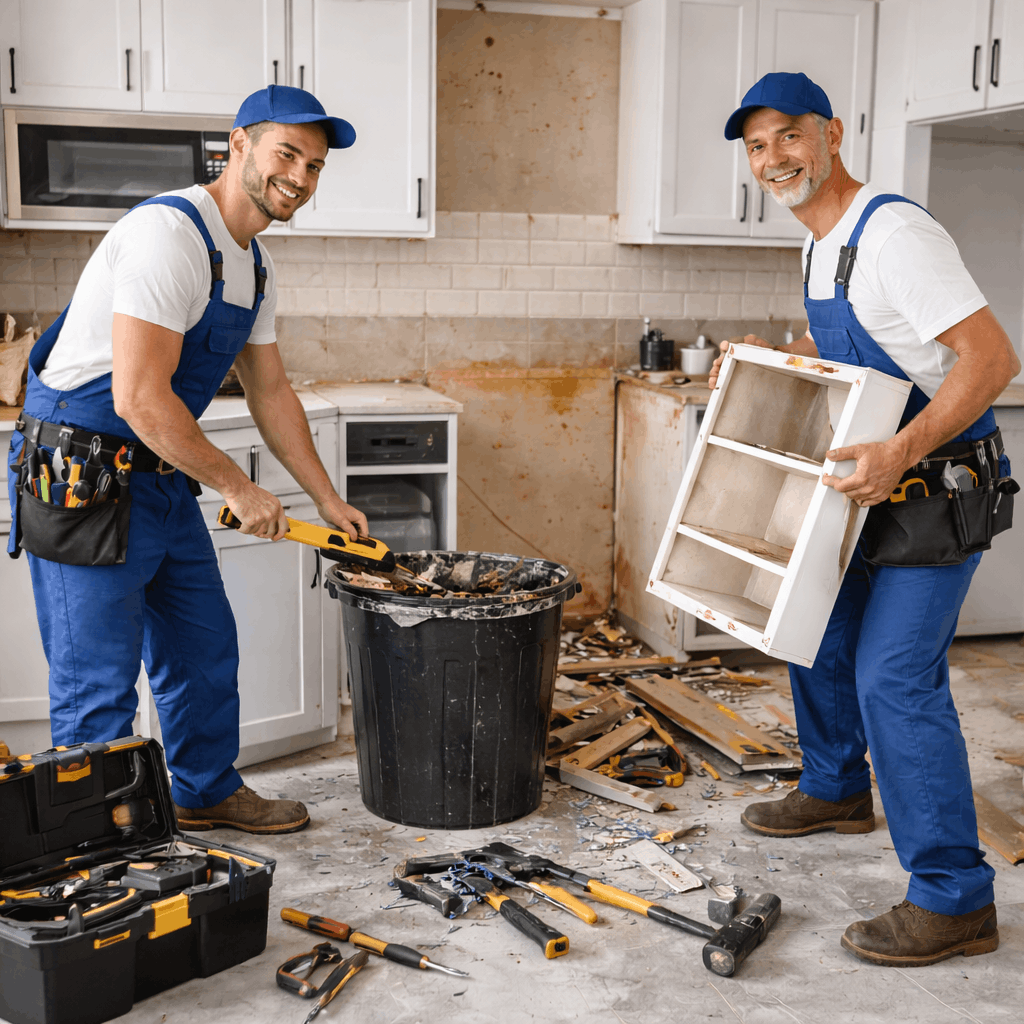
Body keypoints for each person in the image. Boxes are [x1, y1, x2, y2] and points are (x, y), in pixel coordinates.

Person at [710, 72, 1020, 966]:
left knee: (894, 680)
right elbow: (866, 345)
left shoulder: (894, 235)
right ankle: (837, 787)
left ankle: (955, 900)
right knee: (816, 629)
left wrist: (901, 451)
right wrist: (781, 356)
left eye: (789, 136)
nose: (774, 158)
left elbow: (990, 359)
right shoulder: (820, 244)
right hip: (867, 486)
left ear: (832, 135)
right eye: (758, 146)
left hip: (936, 490)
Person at [7, 86, 369, 835]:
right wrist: (237, 486)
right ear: (237, 145)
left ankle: (204, 790)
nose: (300, 177)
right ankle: (93, 833)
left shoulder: (254, 265)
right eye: (287, 154)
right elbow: (139, 396)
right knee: (97, 679)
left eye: (314, 165)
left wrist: (327, 500)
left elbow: (270, 392)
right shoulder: (168, 235)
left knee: (202, 649)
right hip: (83, 478)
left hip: (161, 477)